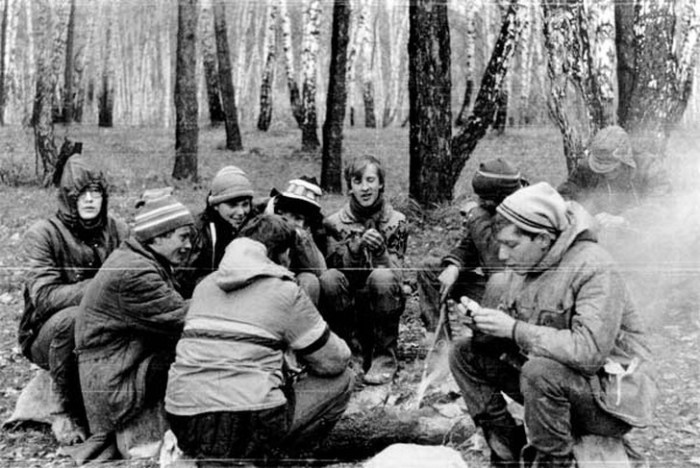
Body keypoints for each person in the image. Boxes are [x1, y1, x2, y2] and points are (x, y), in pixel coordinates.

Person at [449, 182, 657, 467]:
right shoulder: (525, 266)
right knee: (464, 352)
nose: (502, 256)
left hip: (613, 399)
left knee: (540, 372)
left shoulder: (593, 267)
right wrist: (484, 327)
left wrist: (513, 329)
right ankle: (507, 449)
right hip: (558, 386)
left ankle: (554, 462)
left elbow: (588, 353)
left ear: (544, 239)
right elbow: (517, 338)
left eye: (512, 245)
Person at [165, 214, 353, 464]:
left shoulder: (204, 286)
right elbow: (334, 360)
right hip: (249, 422)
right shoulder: (284, 289)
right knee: (343, 378)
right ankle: (282, 456)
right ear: (283, 254)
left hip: (184, 420)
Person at [18, 154, 129, 444]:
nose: (90, 200)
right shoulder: (43, 234)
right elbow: (43, 296)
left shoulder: (118, 229)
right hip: (47, 334)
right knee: (70, 321)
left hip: (108, 324)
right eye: (82, 194)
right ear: (68, 198)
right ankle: (63, 411)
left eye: (97, 193)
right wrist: (99, 289)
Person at [74, 191, 194, 459]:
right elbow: (183, 319)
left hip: (116, 370)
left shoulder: (138, 259)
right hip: (115, 384)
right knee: (193, 352)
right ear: (159, 236)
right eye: (182, 237)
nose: (188, 245)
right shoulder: (136, 272)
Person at [323, 155, 408, 385]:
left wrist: (381, 253)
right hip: (348, 308)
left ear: (381, 183)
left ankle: (385, 357)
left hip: (383, 303)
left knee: (382, 276)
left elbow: (398, 278)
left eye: (371, 180)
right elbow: (334, 276)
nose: (365, 187)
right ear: (349, 187)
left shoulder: (397, 222)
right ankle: (352, 354)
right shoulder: (333, 223)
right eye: (357, 181)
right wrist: (354, 252)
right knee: (329, 278)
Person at [417, 158, 527, 331]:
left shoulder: (527, 211)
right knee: (430, 270)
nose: (480, 202)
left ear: (501, 197)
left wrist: (475, 217)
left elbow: (497, 262)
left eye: (484, 199)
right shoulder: (496, 206)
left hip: (519, 296)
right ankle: (439, 344)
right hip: (493, 287)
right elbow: (470, 244)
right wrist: (454, 265)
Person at [179, 165, 255, 298]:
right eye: (233, 205)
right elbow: (185, 280)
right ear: (215, 205)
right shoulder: (199, 232)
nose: (241, 212)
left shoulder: (253, 225)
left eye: (245, 204)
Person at [264, 176, 334, 304]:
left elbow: (320, 270)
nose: (294, 224)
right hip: (267, 292)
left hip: (295, 293)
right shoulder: (265, 228)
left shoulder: (310, 237)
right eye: (292, 217)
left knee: (309, 280)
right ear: (280, 212)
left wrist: (303, 238)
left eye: (300, 219)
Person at [558, 125, 640, 217]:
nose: (606, 173)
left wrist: (625, 219)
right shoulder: (585, 169)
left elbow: (657, 205)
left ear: (624, 161)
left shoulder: (648, 167)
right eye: (600, 168)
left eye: (612, 169)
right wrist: (581, 213)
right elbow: (564, 195)